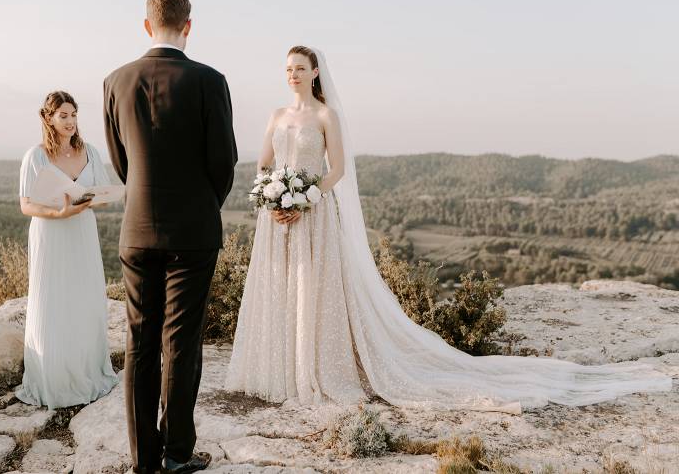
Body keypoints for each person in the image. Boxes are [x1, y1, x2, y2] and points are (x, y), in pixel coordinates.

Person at [225, 45, 673, 414]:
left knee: (312, 289)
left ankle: (313, 370)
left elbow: (337, 169)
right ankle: (281, 368)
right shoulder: (276, 114)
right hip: (276, 219)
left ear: (315, 71)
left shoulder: (326, 117)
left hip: (313, 215)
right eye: (288, 69)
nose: (293, 75)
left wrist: (306, 198)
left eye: (300, 68)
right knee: (282, 287)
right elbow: (265, 163)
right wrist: (273, 195)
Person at [104, 0, 238, 474]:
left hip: (136, 231)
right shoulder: (209, 80)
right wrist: (205, 205)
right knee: (181, 342)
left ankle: (143, 460)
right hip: (194, 232)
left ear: (146, 25)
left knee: (140, 343)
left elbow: (121, 161)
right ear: (189, 26)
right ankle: (178, 453)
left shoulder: (116, 80)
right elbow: (224, 160)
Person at [16, 90, 119, 410]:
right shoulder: (35, 156)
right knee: (53, 297)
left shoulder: (89, 150)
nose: (71, 121)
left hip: (82, 231)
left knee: (84, 296)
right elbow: (26, 205)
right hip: (52, 232)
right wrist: (59, 213)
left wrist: (93, 199)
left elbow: (102, 191)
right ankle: (54, 377)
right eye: (63, 115)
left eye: (74, 114)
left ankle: (87, 367)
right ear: (48, 118)